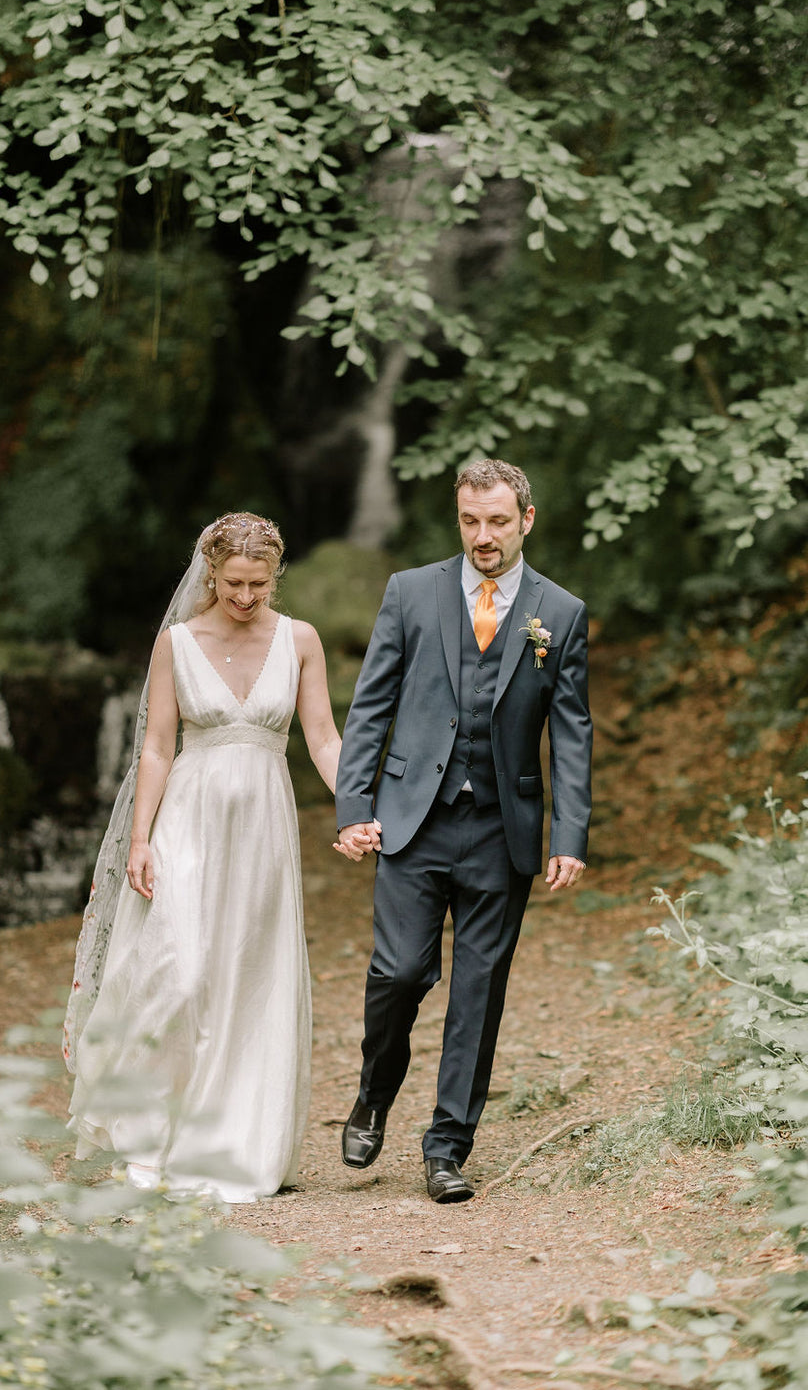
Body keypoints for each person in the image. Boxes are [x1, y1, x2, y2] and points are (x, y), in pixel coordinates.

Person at [63, 513, 344, 1202]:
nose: (246, 597)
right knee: (176, 973)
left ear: (277, 574)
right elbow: (157, 746)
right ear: (210, 572)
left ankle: (233, 1144)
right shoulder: (177, 643)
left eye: (259, 583)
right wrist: (139, 838)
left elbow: (324, 738)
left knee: (248, 978)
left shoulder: (300, 640)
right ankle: (145, 1138)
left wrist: (360, 807)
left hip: (263, 829)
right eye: (233, 583)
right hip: (187, 820)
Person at [334, 459, 592, 1203]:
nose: (483, 536)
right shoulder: (411, 591)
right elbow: (371, 706)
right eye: (471, 521)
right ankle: (374, 1092)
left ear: (526, 520)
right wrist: (355, 808)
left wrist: (568, 834)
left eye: (498, 522)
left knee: (478, 992)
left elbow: (572, 733)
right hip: (412, 821)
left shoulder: (561, 612)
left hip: (502, 829)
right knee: (401, 972)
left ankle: (447, 1146)